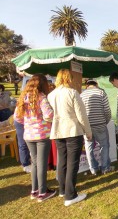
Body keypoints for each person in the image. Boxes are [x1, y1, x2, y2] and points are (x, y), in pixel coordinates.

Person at [47, 69, 92, 207]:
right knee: (72, 163)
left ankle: (62, 189)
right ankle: (70, 195)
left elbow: (49, 114)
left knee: (62, 161)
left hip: (58, 131)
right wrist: (88, 131)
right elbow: (81, 115)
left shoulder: (51, 95)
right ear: (69, 78)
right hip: (72, 130)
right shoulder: (73, 93)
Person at [14, 74, 56, 202]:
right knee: (41, 164)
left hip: (28, 135)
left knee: (35, 163)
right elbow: (49, 114)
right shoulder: (41, 97)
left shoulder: (23, 97)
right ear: (42, 84)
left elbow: (17, 117)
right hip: (42, 135)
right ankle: (43, 192)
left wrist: (29, 123)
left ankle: (34, 190)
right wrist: (49, 119)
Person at [80, 79, 112, 175]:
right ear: (96, 84)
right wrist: (105, 121)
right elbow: (107, 110)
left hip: (87, 126)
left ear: (87, 85)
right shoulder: (101, 93)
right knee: (104, 145)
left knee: (89, 147)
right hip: (100, 124)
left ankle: (93, 169)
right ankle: (105, 168)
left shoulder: (82, 95)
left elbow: (80, 112)